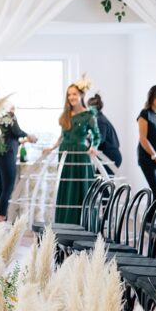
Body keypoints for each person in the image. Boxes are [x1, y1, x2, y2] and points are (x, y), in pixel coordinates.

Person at [43, 82, 100, 224]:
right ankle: (65, 223)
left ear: (81, 95)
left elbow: (96, 136)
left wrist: (93, 147)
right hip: (65, 154)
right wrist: (52, 147)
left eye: (74, 94)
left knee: (80, 188)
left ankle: (81, 225)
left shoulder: (88, 115)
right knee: (66, 188)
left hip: (80, 155)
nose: (71, 97)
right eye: (69, 94)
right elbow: (62, 136)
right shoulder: (66, 115)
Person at [0, 108, 37, 221]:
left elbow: (13, 139)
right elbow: (17, 132)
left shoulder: (0, 120)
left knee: (2, 188)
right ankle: (2, 218)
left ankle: (0, 216)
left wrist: (27, 140)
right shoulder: (9, 115)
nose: (13, 108)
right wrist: (29, 135)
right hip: (6, 157)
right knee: (7, 188)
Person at [88, 92, 122, 174]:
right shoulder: (100, 118)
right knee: (99, 181)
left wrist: (88, 139)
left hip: (111, 156)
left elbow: (100, 139)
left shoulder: (99, 120)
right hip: (110, 154)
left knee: (103, 183)